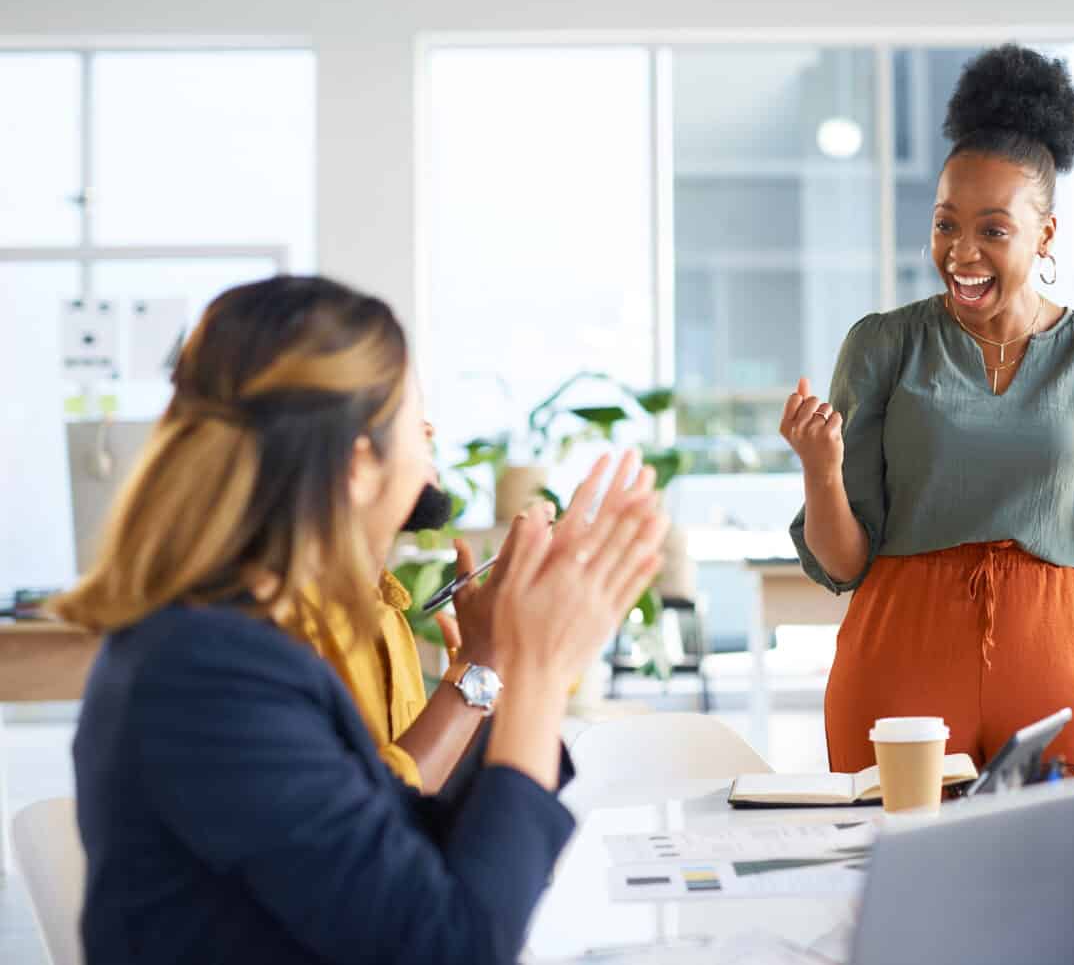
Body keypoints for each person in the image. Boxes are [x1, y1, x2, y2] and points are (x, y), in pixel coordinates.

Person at [52, 275, 668, 965]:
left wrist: (503, 662)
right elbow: (454, 946)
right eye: (416, 424)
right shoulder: (206, 675)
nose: (431, 450)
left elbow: (408, 851)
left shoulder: (232, 642)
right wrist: (537, 675)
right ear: (357, 465)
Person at [786, 44, 1074, 772]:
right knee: (900, 877)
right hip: (900, 664)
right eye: (945, 225)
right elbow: (843, 564)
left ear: (1044, 235)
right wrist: (820, 470)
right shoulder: (882, 345)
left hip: (1059, 662)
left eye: (992, 229)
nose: (962, 252)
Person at [291, 465, 504, 792]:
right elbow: (361, 823)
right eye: (414, 421)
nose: (430, 430)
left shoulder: (389, 617)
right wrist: (478, 669)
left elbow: (427, 795)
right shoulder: (286, 621)